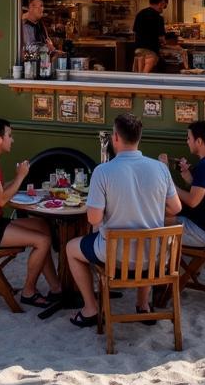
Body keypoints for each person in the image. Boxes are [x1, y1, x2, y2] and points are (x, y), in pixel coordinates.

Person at [65, 113, 181, 327]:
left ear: (115, 138)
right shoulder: (160, 168)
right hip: (154, 258)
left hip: (115, 258)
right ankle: (143, 304)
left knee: (71, 249)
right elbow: (176, 208)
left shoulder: (103, 171)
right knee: (147, 235)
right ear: (139, 137)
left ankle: (90, 308)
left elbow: (94, 218)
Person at [0, 118, 62, 308]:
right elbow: (1, 200)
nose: (12, 140)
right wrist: (21, 176)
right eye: (9, 135)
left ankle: (56, 288)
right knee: (43, 241)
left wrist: (17, 182)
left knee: (42, 226)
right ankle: (28, 292)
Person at [132, 0, 168, 73]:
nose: (163, 9)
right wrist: (164, 42)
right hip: (151, 54)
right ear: (161, 3)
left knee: (138, 79)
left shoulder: (140, 14)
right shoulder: (158, 18)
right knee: (147, 79)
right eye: (164, 6)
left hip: (138, 52)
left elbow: (135, 32)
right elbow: (161, 38)